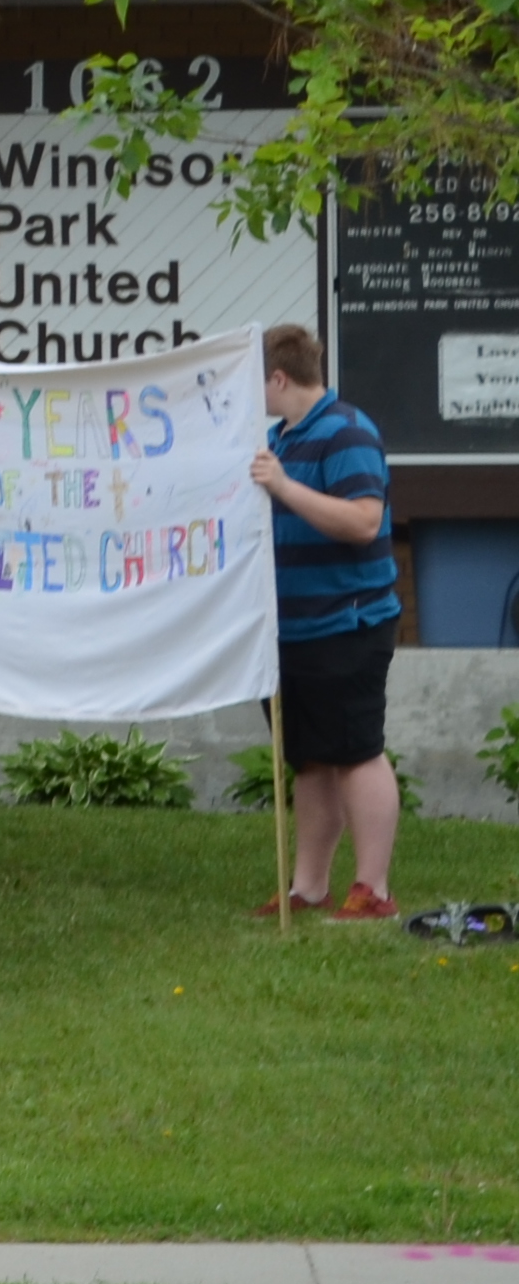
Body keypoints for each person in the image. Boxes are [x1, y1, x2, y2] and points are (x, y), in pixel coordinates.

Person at [252, 321, 403, 919]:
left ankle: (374, 889)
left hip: (349, 624)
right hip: (291, 630)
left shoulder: (347, 432)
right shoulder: (280, 439)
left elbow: (363, 521)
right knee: (309, 757)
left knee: (356, 751)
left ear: (279, 377)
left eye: (255, 383)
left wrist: (284, 487)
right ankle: (308, 887)